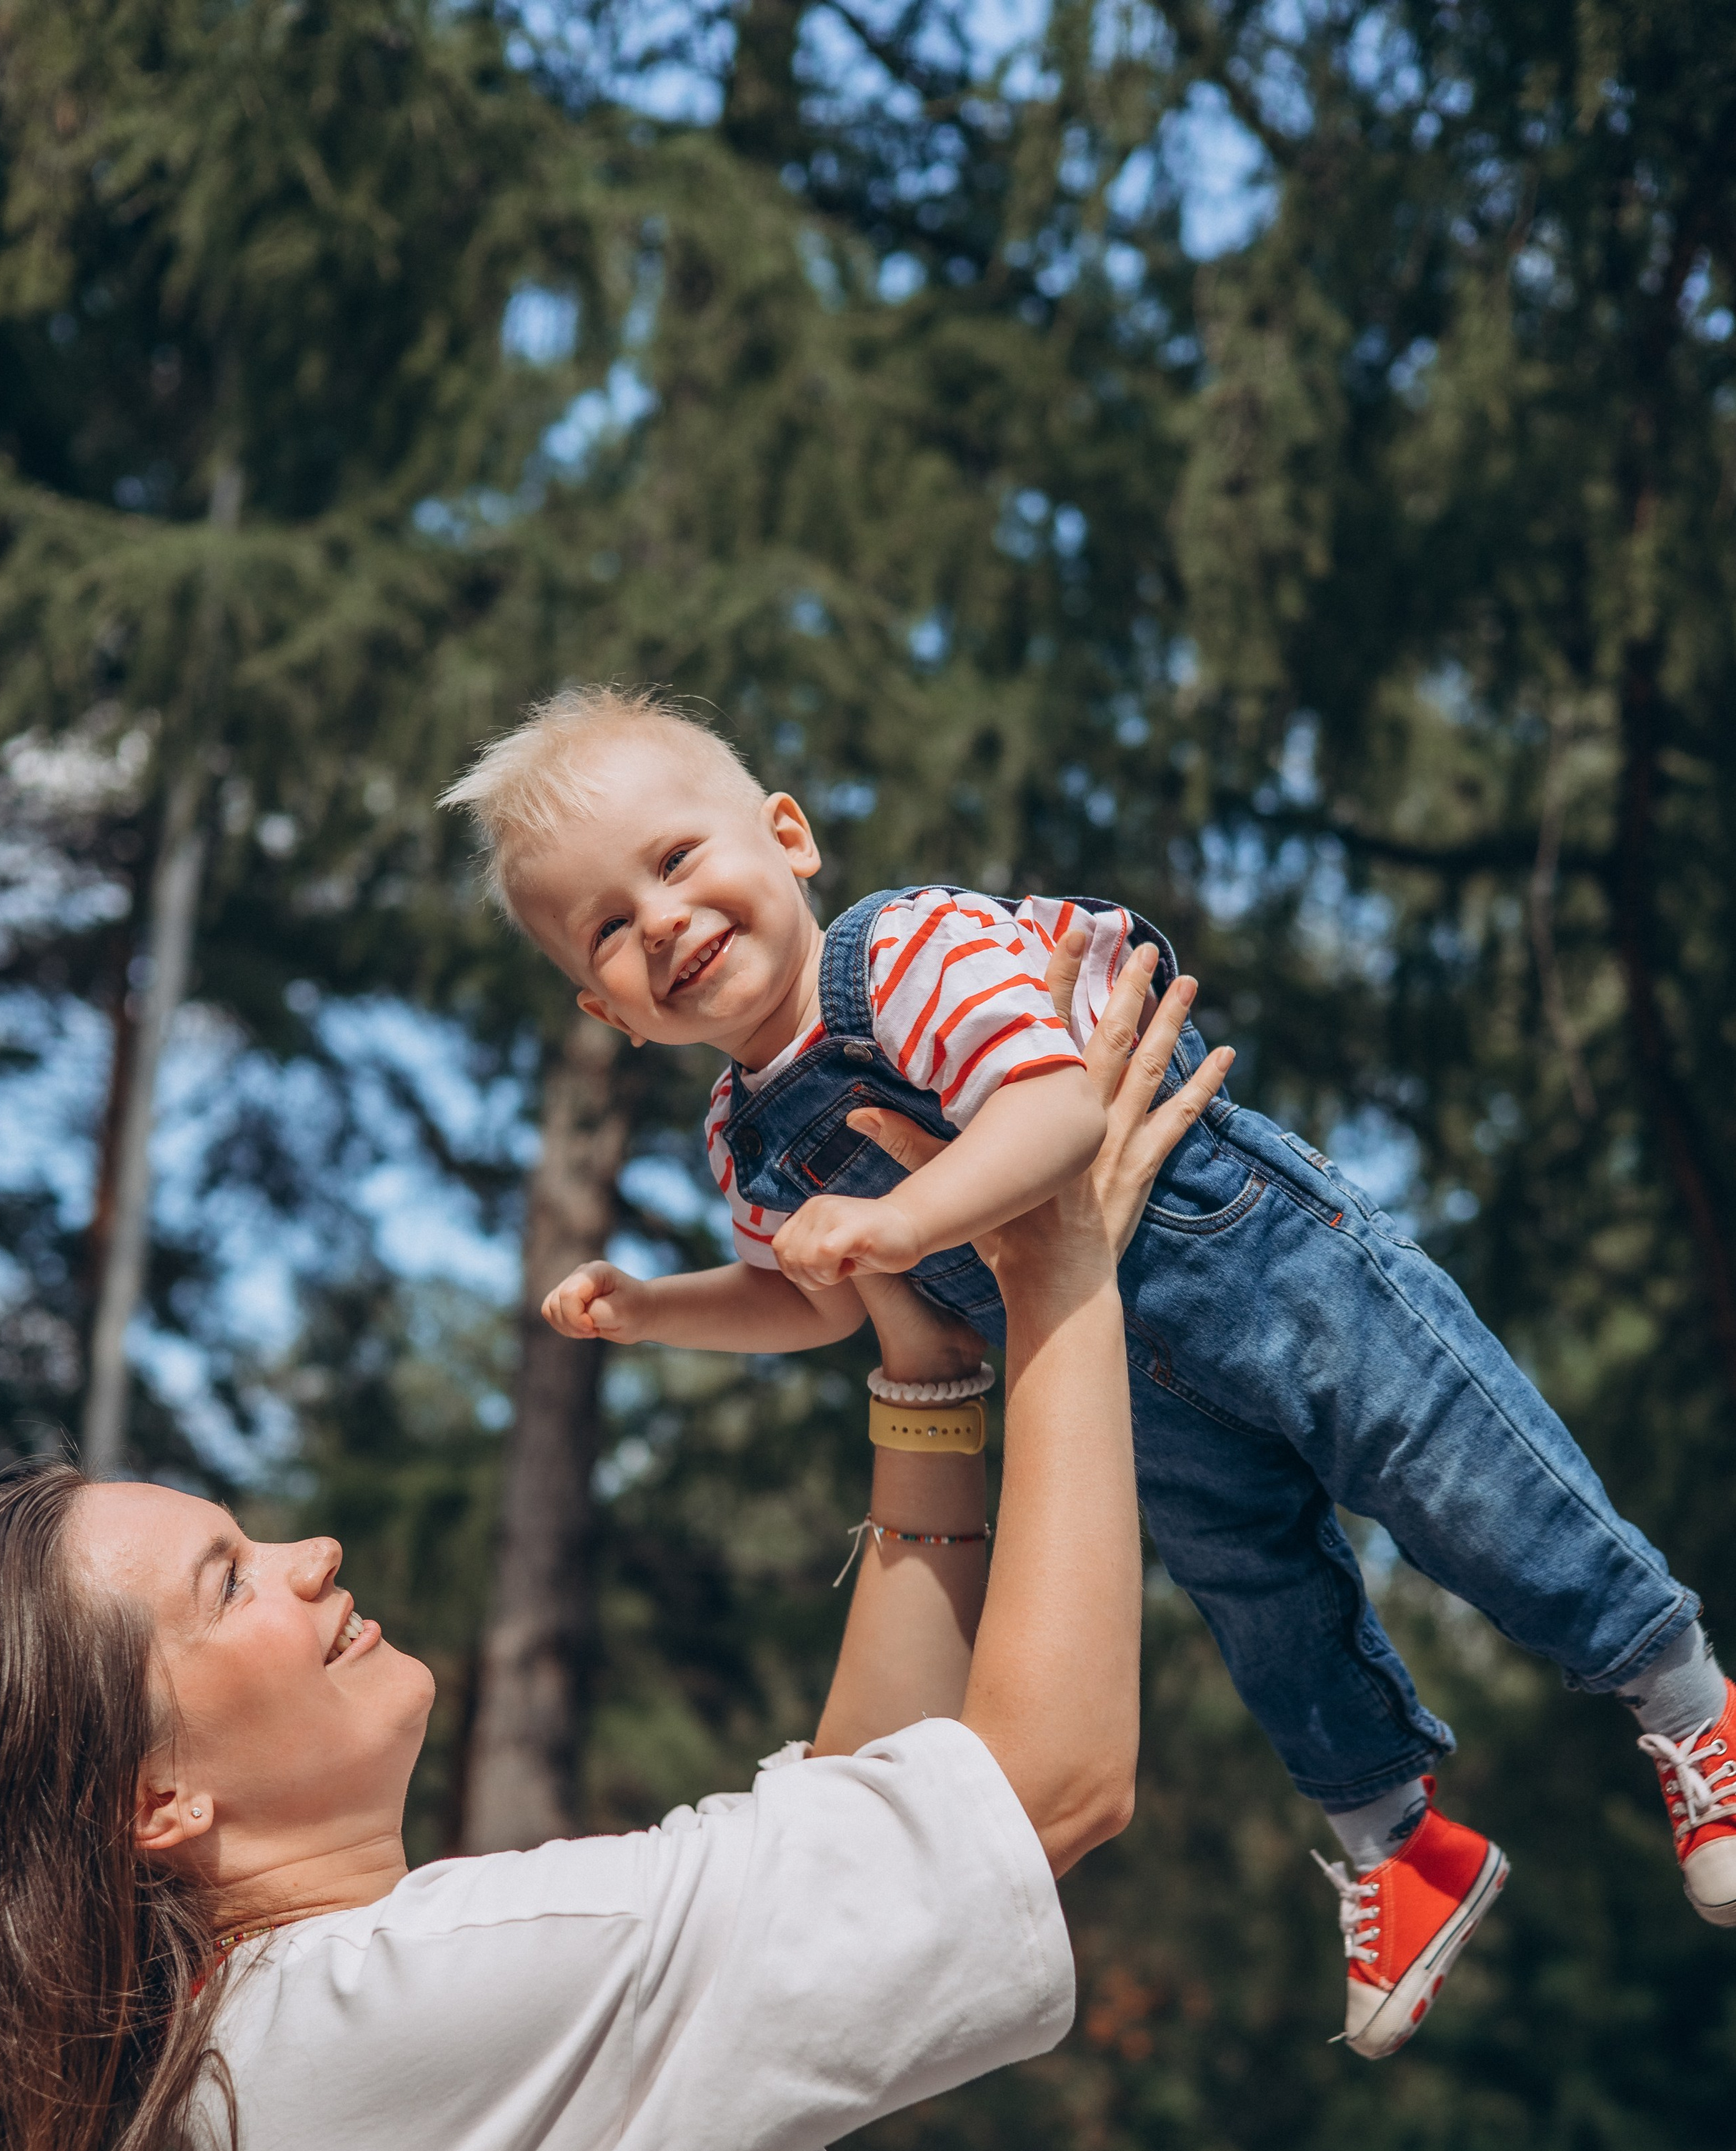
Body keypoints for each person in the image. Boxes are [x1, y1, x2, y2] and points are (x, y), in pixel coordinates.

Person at [0, 954, 1220, 2151]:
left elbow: (861, 1822)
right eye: (230, 1580)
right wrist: (1059, 1264)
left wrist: (927, 1376)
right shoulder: (394, 2010)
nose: (309, 1555)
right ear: (161, 1804)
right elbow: (1042, 1784)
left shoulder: (328, 2032)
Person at [443, 682, 1735, 2061]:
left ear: (789, 837)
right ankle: (1398, 1846)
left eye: (677, 859)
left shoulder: (905, 952)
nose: (662, 922)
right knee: (1257, 1596)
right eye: (610, 930)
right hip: (1107, 1365)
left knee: (1454, 1469)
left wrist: (900, 1221)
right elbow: (806, 1303)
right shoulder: (744, 1138)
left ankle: (1691, 1710)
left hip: (1247, 1257)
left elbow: (1058, 1105)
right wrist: (656, 1309)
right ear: (611, 1010)